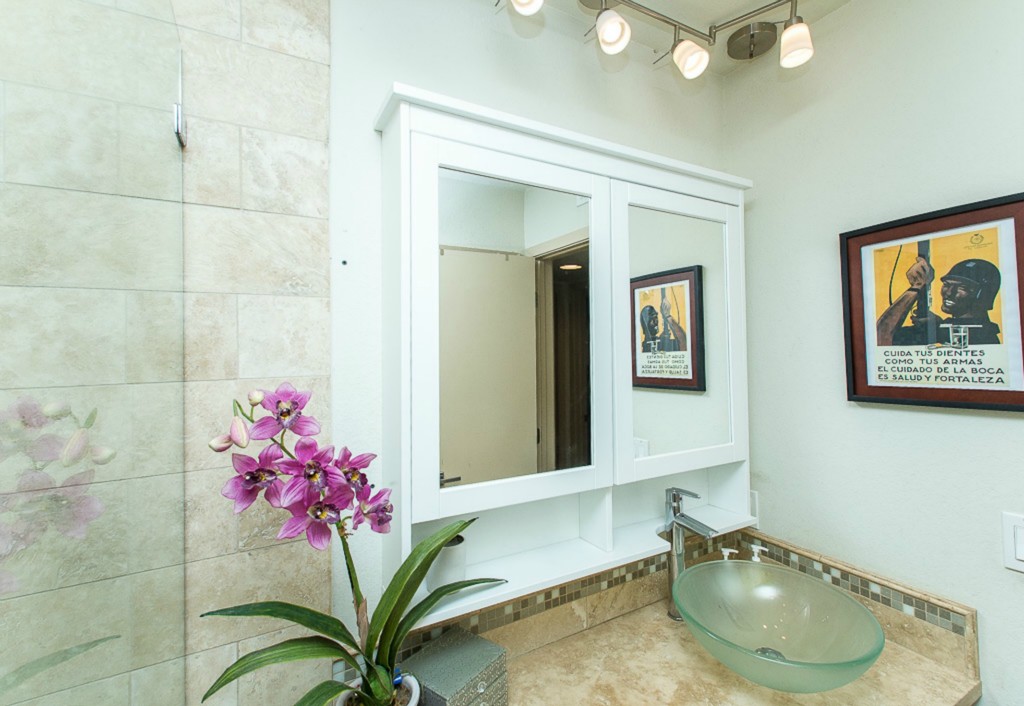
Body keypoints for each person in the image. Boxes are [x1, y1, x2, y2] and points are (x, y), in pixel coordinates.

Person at [876, 257, 1002, 346]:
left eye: (962, 287)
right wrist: (939, 324)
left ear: (983, 295)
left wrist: (917, 286)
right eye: (946, 284)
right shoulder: (982, 329)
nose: (949, 292)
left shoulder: (975, 333)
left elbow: (882, 336)